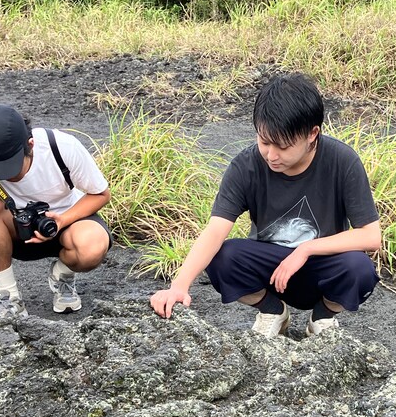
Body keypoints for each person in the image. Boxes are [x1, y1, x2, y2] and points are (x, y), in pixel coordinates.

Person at [150, 72, 381, 338]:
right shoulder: (245, 166)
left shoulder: (342, 161)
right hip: (270, 270)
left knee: (359, 269)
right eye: (264, 142)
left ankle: (323, 316)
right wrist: (179, 285)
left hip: (322, 266)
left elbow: (371, 236)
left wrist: (305, 249)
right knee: (223, 257)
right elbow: (215, 229)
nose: (271, 155)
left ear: (312, 134)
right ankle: (272, 310)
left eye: (282, 146)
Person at [0, 103, 112, 324]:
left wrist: (63, 220)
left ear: (30, 145)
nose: (6, 175)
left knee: (93, 246)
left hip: (65, 223)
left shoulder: (60, 147)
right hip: (13, 233)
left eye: (12, 167)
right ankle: (8, 297)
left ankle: (62, 274)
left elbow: (101, 194)